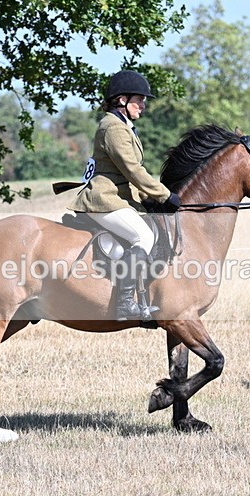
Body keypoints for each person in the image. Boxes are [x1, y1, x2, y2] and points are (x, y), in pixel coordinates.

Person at [67, 70, 181, 320]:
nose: (143, 105)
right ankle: (125, 302)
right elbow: (132, 169)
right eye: (139, 99)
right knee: (143, 236)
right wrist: (163, 195)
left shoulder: (123, 126)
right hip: (104, 200)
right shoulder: (113, 127)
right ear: (122, 100)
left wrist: (147, 198)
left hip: (119, 198)